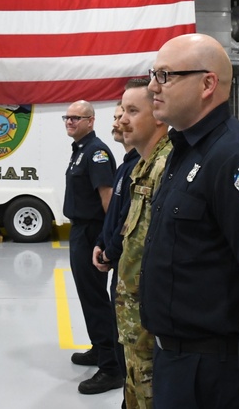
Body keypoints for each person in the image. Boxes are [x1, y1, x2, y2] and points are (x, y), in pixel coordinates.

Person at [140, 33, 239, 408]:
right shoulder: (185, 150)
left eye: (165, 75)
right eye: (154, 74)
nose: (153, 87)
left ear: (207, 84)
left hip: (213, 369)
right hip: (175, 358)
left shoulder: (236, 157)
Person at [114, 78, 171, 409]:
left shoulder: (166, 166)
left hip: (153, 333)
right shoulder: (143, 167)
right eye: (122, 110)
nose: (121, 118)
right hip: (135, 330)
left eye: (132, 110)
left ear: (159, 116)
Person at [63, 100, 125, 394]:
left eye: (76, 118)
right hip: (80, 230)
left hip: (91, 232)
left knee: (96, 299)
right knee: (89, 297)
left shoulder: (96, 152)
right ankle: (100, 349)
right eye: (67, 117)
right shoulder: (81, 151)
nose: (70, 122)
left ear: (91, 121)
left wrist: (106, 238)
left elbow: (108, 198)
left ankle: (111, 367)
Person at [92, 103, 139, 381]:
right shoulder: (125, 166)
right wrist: (102, 241)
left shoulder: (140, 167)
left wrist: (110, 251)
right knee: (117, 329)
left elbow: (128, 219)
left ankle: (112, 371)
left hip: (127, 266)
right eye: (117, 115)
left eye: (129, 113)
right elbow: (114, 216)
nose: (120, 120)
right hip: (116, 263)